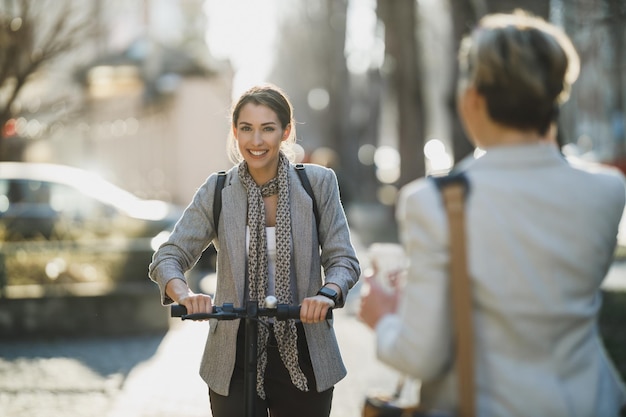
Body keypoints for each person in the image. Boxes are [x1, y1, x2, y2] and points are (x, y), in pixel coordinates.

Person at [358, 10, 626, 417]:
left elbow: (420, 356)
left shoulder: (434, 201)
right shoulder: (608, 190)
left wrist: (383, 317)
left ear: (473, 99)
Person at [149, 84, 361, 417]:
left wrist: (326, 294)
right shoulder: (218, 190)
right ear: (235, 132)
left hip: (305, 347)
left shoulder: (318, 184)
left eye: (268, 129)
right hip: (232, 353)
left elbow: (343, 260)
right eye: (246, 129)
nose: (256, 141)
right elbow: (168, 256)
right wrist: (186, 295)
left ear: (286, 132)